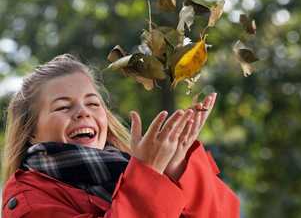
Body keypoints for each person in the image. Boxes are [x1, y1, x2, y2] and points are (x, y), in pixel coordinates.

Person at [1, 54, 240, 218]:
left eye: (93, 103)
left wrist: (178, 169)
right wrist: (147, 176)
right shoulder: (28, 201)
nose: (83, 112)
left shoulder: (129, 169)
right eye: (63, 107)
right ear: (31, 131)